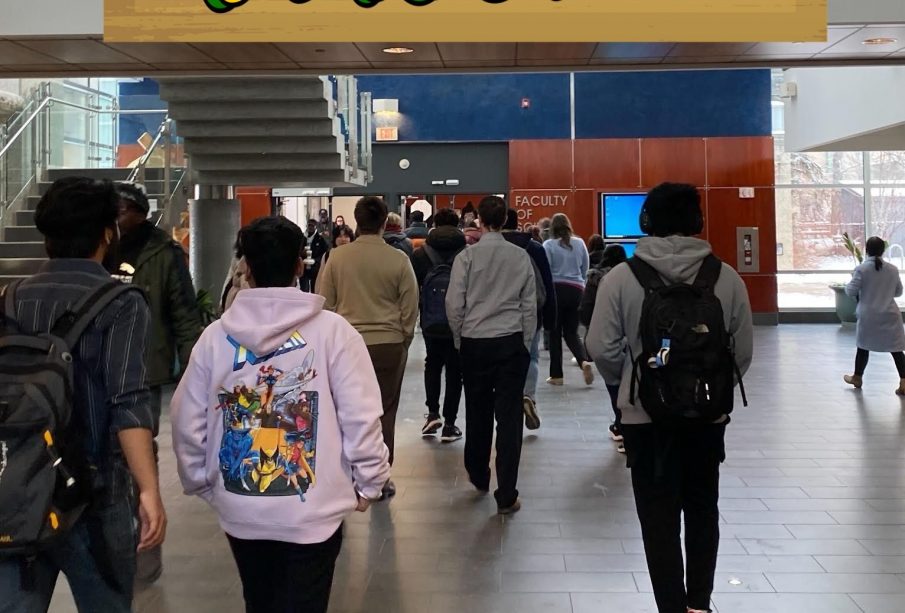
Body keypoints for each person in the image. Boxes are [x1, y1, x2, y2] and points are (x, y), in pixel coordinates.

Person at [171, 216, 390, 613]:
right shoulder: (335, 333)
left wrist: (201, 482)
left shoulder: (215, 337)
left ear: (246, 268)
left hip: (240, 506)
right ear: (300, 266)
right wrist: (369, 482)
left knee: (259, 599)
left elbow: (187, 419)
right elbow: (360, 416)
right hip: (314, 512)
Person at [586, 182, 753, 613]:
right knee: (703, 508)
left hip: (645, 420)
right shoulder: (725, 278)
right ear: (698, 221)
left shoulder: (621, 278)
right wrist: (708, 385)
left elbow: (601, 347)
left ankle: (671, 606)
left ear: (646, 221)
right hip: (706, 416)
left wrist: (630, 383)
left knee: (657, 517)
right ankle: (699, 603)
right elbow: (742, 352)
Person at [0, 177, 165, 612]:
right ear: (108, 233)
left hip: (20, 487)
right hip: (96, 492)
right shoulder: (122, 302)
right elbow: (128, 402)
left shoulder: (11, 299)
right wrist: (148, 489)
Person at [113, 182, 202, 583]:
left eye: (122, 211)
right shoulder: (100, 246)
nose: (117, 219)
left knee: (140, 458)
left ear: (140, 212)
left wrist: (193, 370)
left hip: (144, 368)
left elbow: (183, 312)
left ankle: (143, 556)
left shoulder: (163, 253)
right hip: (101, 365)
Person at [317, 197, 419, 500]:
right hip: (388, 343)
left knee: (342, 410)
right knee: (384, 411)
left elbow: (326, 303)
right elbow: (410, 304)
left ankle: (343, 474)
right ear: (385, 223)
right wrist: (403, 337)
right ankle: (380, 476)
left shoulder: (337, 258)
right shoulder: (398, 259)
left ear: (357, 221)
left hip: (347, 346)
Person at [446, 196, 536, 515]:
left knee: (477, 410)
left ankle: (478, 472)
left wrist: (459, 338)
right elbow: (529, 304)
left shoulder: (467, 257)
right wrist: (525, 342)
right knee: (509, 418)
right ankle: (507, 493)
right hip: (510, 341)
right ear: (506, 221)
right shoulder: (520, 256)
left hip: (475, 341)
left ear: (479, 221)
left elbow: (454, 304)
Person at [410, 208, 466, 442]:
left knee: (432, 363)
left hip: (431, 320)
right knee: (455, 370)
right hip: (459, 319)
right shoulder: (466, 252)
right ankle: (450, 424)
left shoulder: (421, 253)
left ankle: (433, 413)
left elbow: (413, 287)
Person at [502, 208, 556, 431]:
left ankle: (508, 400)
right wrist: (551, 318)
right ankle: (528, 396)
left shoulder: (491, 249)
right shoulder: (534, 248)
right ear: (517, 223)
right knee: (531, 356)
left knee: (504, 360)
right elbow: (547, 284)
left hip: (502, 313)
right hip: (532, 312)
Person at [579, 244, 628, 452]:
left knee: (613, 382)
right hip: (629, 336)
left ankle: (621, 423)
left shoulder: (595, 278)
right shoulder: (631, 277)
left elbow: (585, 311)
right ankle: (627, 425)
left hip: (605, 337)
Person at [843, 236, 905, 394]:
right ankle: (904, 382)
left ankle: (857, 377)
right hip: (890, 315)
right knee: (896, 349)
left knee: (863, 346)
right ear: (883, 250)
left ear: (867, 250)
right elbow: (898, 292)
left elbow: (851, 291)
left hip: (869, 316)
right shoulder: (892, 269)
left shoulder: (862, 269)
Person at [543, 213, 595, 386]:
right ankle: (583, 361)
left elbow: (546, 270)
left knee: (554, 333)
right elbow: (585, 268)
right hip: (576, 290)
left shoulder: (548, 245)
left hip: (556, 290)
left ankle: (556, 375)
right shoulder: (579, 243)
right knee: (572, 332)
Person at [301, 219, 329, 292]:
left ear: (316, 227)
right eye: (309, 225)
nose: (310, 227)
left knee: (315, 289)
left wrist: (316, 260)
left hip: (315, 267)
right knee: (304, 289)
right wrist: (302, 253)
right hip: (303, 267)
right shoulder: (302, 238)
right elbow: (297, 250)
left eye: (312, 225)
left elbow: (325, 253)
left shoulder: (320, 239)